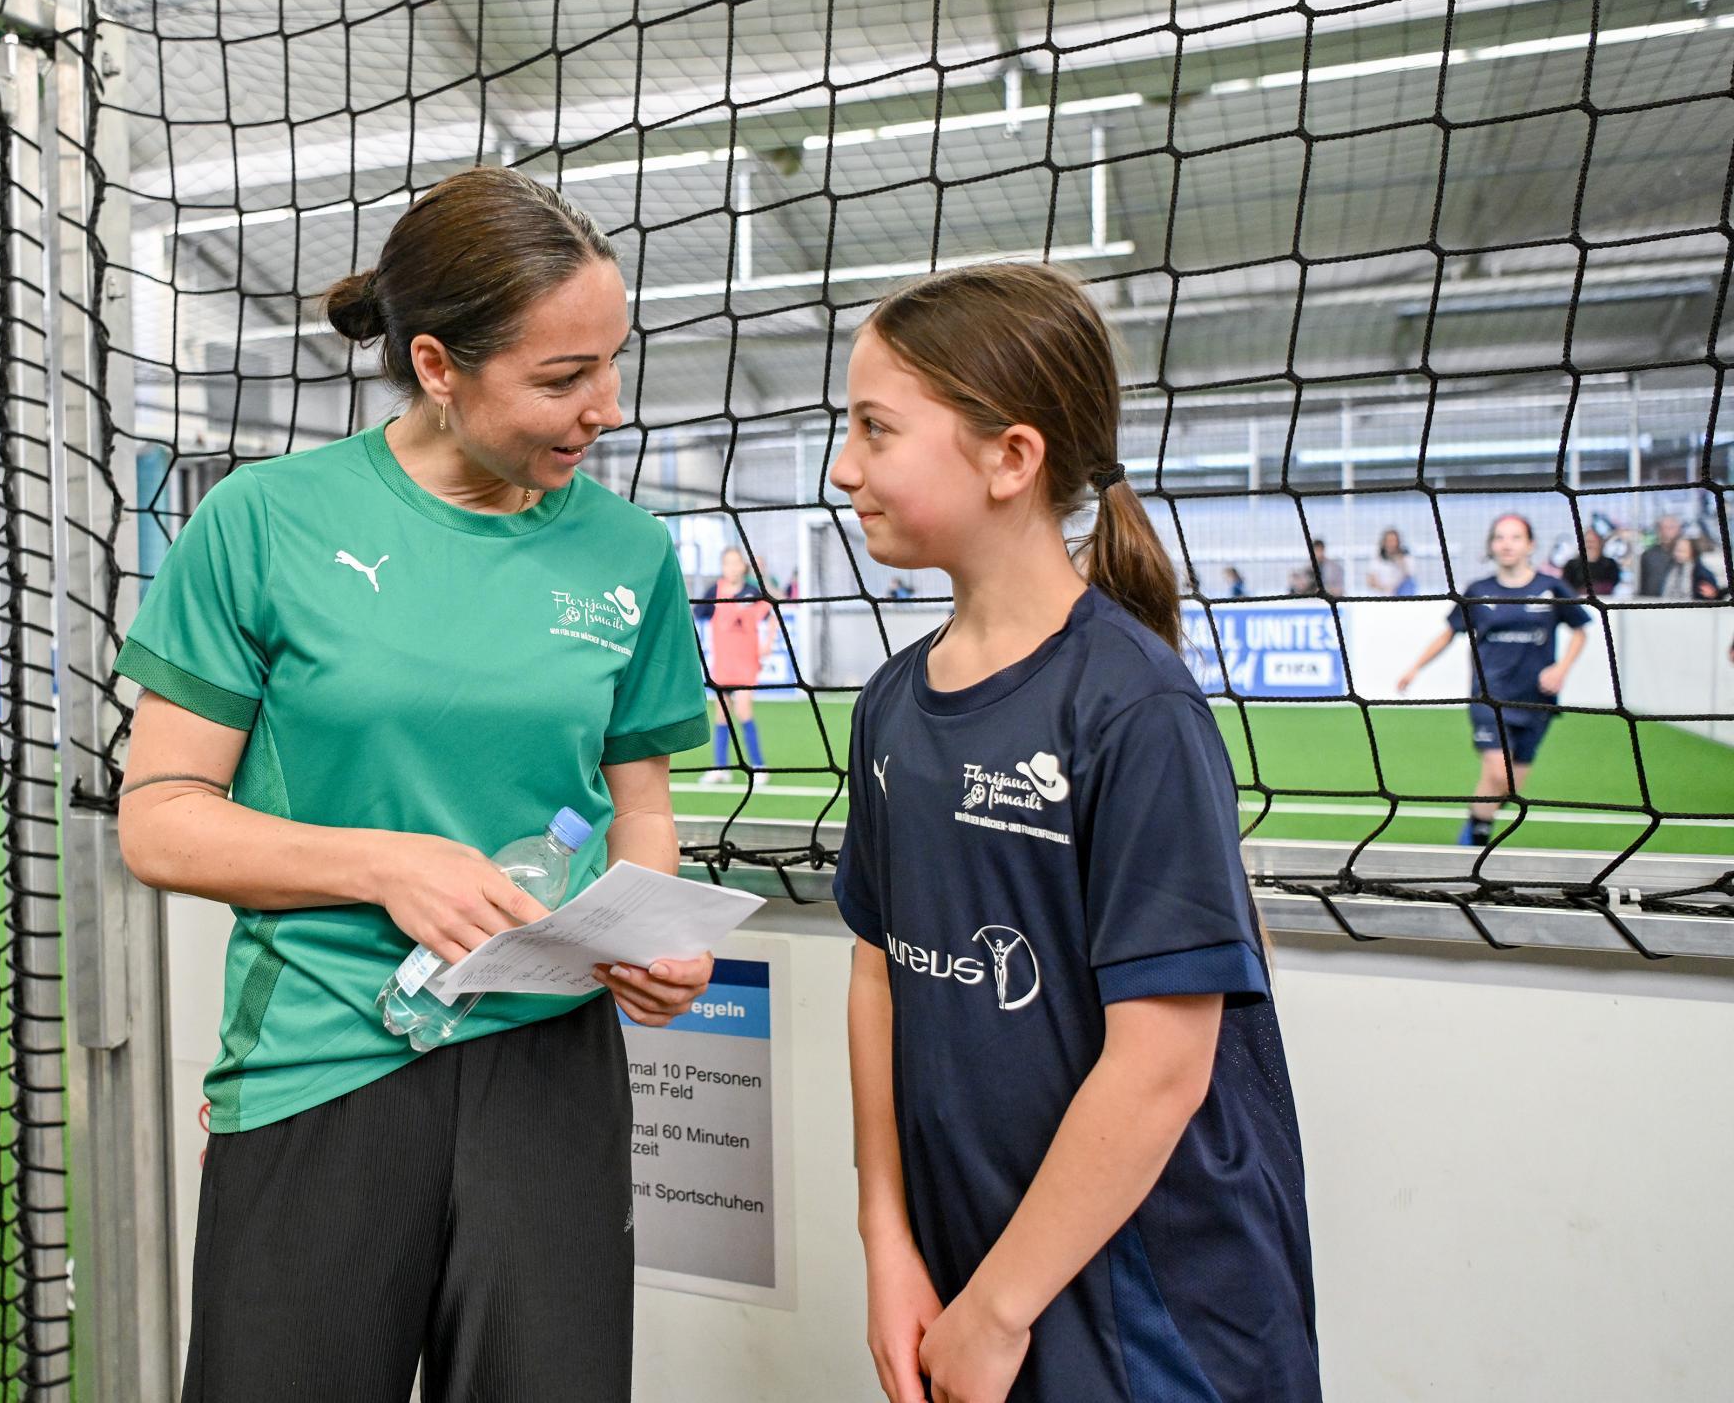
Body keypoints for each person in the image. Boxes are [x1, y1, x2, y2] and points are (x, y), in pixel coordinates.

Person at [114, 166, 716, 1403]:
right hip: (325, 1058)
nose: (604, 407)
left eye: (612, 362)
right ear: (437, 364)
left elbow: (638, 796)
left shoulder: (630, 551)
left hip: (552, 1070)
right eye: (561, 378)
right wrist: (385, 862)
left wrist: (651, 923)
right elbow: (161, 821)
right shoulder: (261, 522)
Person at [829, 263, 1318, 1403]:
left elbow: (1161, 1064)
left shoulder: (1132, 705)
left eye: (875, 430)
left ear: (1012, 458)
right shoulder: (892, 703)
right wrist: (886, 1240)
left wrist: (1001, 1310)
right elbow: (878, 969)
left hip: (1147, 1300)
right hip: (969, 1262)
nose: (843, 467)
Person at [1397, 515, 1595, 847]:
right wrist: (1415, 667)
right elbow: (1449, 633)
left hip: (1536, 700)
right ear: (1491, 545)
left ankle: (1474, 829)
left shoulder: (1551, 587)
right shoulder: (1479, 591)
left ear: (1530, 545)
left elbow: (1579, 631)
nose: (1507, 544)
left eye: (1515, 537)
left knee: (1508, 787)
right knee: (1498, 774)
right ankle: (1471, 848)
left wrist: (1562, 668)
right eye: (1500, 537)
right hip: (1489, 699)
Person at [695, 544, 772, 783]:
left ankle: (759, 767)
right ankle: (720, 768)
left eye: (735, 562)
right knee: (721, 715)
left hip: (746, 664)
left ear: (743, 566)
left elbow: (773, 613)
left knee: (743, 711)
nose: (731, 567)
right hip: (723, 664)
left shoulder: (752, 591)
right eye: (727, 562)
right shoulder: (713, 591)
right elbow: (698, 615)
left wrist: (767, 643)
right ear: (722, 566)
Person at [1560, 528, 1621, 597]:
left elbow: (1611, 584)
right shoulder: (1571, 565)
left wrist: (1594, 589)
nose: (1589, 545)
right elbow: (1565, 586)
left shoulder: (1609, 564)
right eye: (1587, 542)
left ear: (1600, 543)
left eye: (1592, 541)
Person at [1659, 534, 1724, 599]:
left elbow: (1712, 594)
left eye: (1682, 551)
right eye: (1676, 550)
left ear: (1692, 552)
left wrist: (1714, 594)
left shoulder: (1702, 573)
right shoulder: (1666, 567)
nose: (1678, 554)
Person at [1637, 513, 1684, 596]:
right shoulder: (1648, 555)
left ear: (1679, 529)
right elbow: (1643, 583)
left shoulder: (1687, 552)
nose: (1667, 531)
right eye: (1664, 528)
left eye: (1671, 528)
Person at [1366, 528, 1415, 595]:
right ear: (1383, 542)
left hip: (1401, 593)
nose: (1391, 544)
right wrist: (1384, 588)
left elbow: (1409, 575)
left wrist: (1400, 561)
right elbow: (1370, 580)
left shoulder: (1405, 556)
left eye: (1394, 541)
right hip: (1382, 594)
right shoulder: (1377, 558)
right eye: (1389, 541)